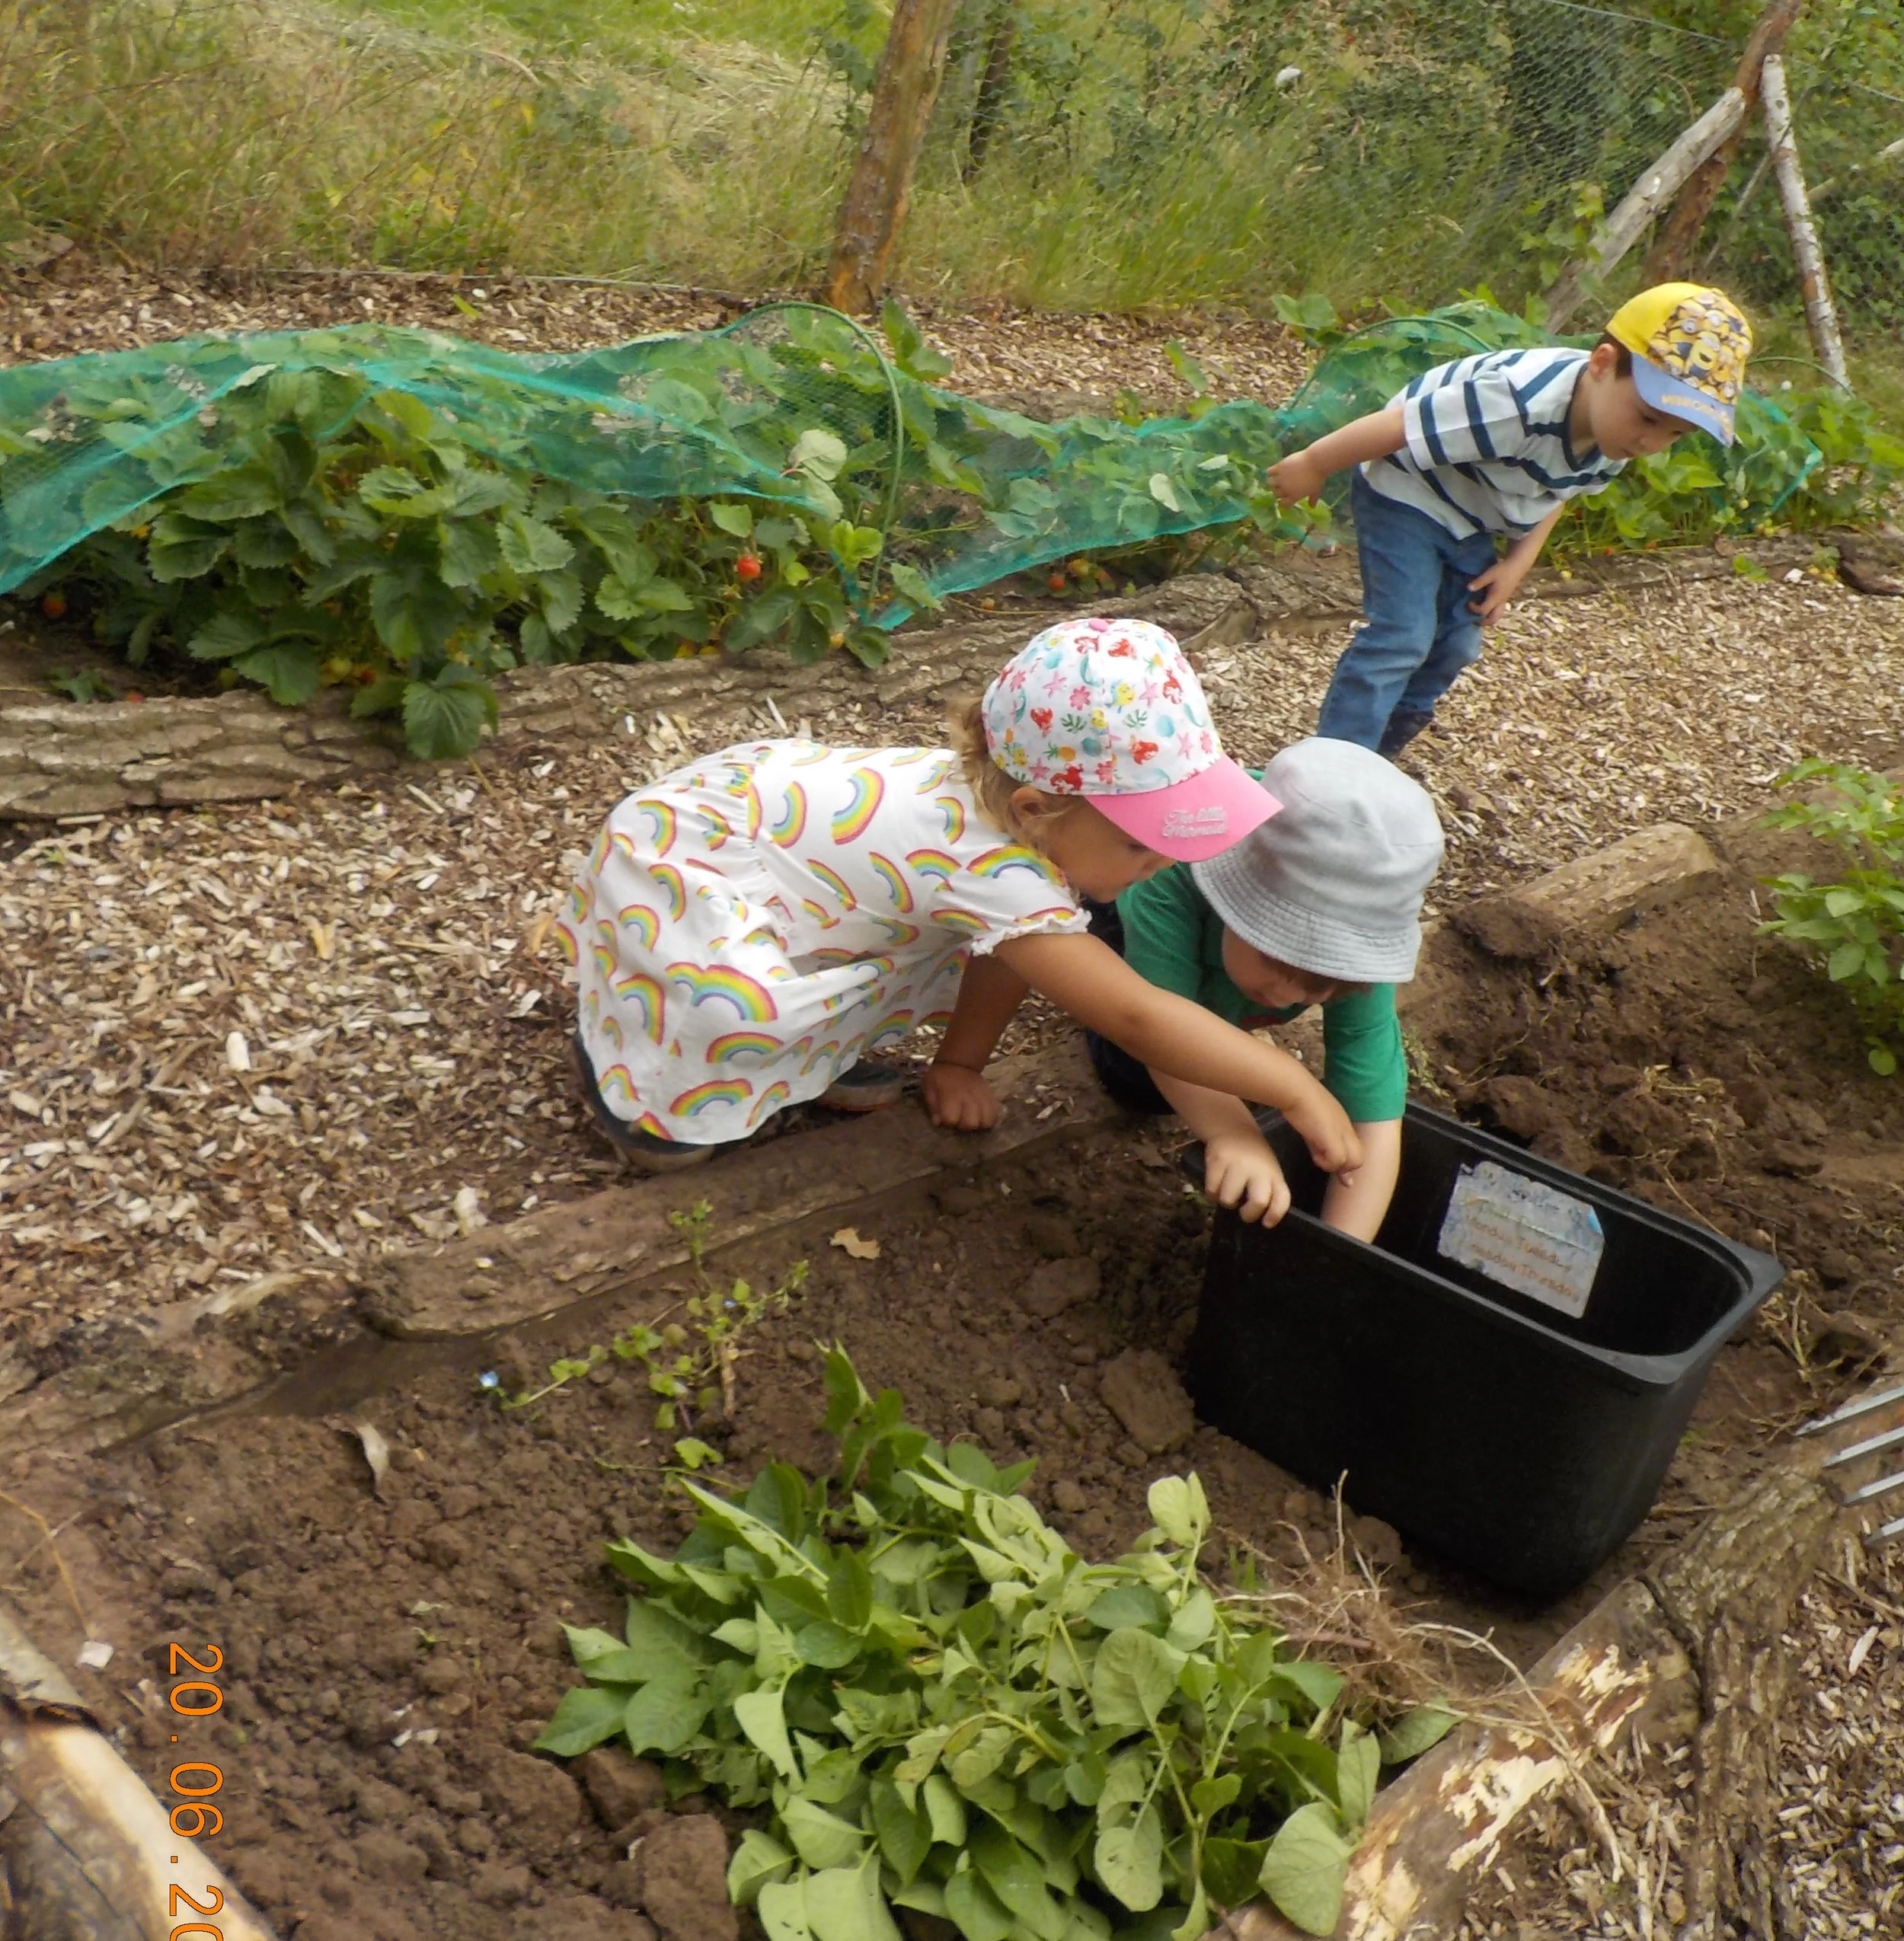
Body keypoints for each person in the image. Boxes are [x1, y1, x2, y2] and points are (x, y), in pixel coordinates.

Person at [564, 616, 1366, 1188]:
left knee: (898, 952)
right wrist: (1291, 1087)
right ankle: (639, 1087)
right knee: (726, 1008)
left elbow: (1008, 953)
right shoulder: (994, 867)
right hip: (691, 865)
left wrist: (959, 1062)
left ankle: (803, 1062)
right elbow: (1136, 1017)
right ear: (1035, 809)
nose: (1160, 862)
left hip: (783, 861)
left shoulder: (1018, 839)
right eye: (1138, 840)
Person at [1267, 283, 1752, 759]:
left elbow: (1555, 491)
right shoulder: (1517, 404)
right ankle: (1332, 768)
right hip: (1409, 488)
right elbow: (1401, 427)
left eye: (1676, 434)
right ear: (1602, 364)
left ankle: (1376, 759)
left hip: (1476, 509)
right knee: (1403, 636)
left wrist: (1518, 565)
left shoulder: (1615, 437)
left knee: (1456, 642)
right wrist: (1314, 463)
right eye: (1648, 419)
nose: (1652, 443)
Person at [1087, 737, 1443, 1236]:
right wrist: (1233, 1131)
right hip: (1135, 934)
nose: (1283, 996)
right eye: (1277, 956)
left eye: (1318, 986)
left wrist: (1337, 1251)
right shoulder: (1164, 872)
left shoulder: (1362, 955)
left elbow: (1374, 1112)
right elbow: (1150, 1024)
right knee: (1133, 1078)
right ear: (1232, 898)